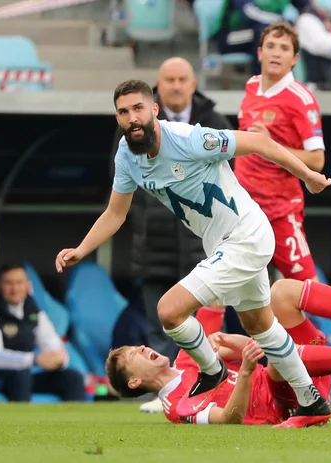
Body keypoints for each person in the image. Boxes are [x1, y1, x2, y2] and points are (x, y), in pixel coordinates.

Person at [55, 79, 331, 428]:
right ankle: (312, 402)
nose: (132, 118)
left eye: (138, 108)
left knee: (169, 310)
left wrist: (308, 176)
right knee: (260, 325)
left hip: (246, 235)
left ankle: (212, 370)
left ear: (154, 110)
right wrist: (82, 249)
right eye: (123, 111)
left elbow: (260, 142)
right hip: (222, 244)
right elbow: (116, 213)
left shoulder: (189, 138)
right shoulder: (126, 156)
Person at [105, 275, 331, 426]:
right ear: (134, 382)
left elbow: (214, 299)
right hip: (287, 405)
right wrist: (245, 370)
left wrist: (227, 251)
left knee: (280, 292)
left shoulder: (191, 354)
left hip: (302, 373)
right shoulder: (176, 407)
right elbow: (229, 418)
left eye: (137, 346)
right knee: (275, 357)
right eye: (135, 355)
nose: (143, 347)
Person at [108, 57, 234, 414]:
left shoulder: (213, 123)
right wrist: (150, 216)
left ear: (193, 84)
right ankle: (163, 393)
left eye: (182, 79)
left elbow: (232, 177)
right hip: (155, 243)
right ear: (158, 89)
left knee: (206, 319)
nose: (176, 85)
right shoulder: (131, 130)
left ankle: (206, 387)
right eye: (169, 79)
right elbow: (119, 186)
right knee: (158, 322)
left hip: (203, 241)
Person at [235, 22, 326, 283]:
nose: (276, 53)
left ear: (294, 59)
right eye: (271, 46)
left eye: (284, 48)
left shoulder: (301, 99)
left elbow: (317, 160)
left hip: (279, 209)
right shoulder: (252, 86)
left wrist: (269, 145)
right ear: (260, 53)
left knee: (306, 288)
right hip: (242, 208)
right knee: (219, 289)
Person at [0, 264, 85, 402]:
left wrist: (59, 360)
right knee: (21, 375)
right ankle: (22, 424)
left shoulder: (33, 312)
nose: (15, 289)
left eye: (19, 283)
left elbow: (54, 345)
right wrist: (34, 360)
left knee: (72, 378)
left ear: (28, 286)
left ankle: (72, 423)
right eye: (9, 283)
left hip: (22, 377)